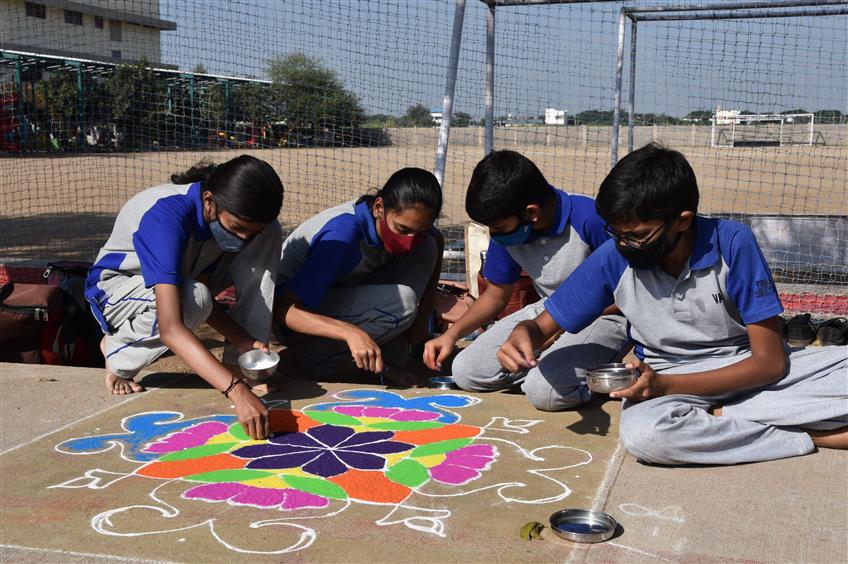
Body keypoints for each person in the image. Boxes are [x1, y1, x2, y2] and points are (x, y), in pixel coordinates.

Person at [498, 143, 847, 465]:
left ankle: (725, 416)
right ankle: (808, 433)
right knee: (647, 436)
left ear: (682, 221)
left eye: (637, 236)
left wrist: (666, 389)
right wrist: (523, 331)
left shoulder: (733, 242)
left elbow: (770, 363)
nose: (624, 245)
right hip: (664, 372)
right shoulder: (614, 256)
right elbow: (541, 325)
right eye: (616, 234)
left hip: (744, 367)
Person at [85, 155, 284, 440]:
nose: (244, 239)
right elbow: (172, 326)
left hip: (181, 292)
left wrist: (244, 341)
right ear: (209, 201)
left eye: (251, 233)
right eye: (238, 228)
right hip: (118, 292)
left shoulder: (235, 225)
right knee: (196, 298)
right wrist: (235, 391)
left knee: (269, 233)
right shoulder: (166, 217)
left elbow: (193, 294)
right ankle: (118, 351)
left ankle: (244, 365)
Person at [423, 150, 630, 411]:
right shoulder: (509, 231)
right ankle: (556, 371)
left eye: (497, 228)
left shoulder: (589, 219)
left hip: (607, 314)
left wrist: (555, 328)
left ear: (531, 212)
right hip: (548, 310)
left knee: (545, 393)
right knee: (467, 371)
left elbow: (629, 293)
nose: (493, 235)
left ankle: (599, 379)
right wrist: (452, 335)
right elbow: (497, 294)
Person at [274, 167, 442, 383]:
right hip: (290, 319)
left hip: (336, 297)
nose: (409, 242)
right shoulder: (343, 236)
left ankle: (381, 362)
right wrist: (350, 332)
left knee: (427, 246)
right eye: (402, 229)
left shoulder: (407, 232)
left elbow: (436, 238)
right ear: (379, 207)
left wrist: (423, 316)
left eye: (418, 232)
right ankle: (301, 360)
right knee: (401, 305)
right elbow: (283, 310)